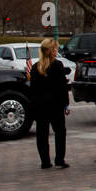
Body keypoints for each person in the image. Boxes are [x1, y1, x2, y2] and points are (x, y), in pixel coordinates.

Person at [29, 37, 70, 169]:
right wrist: (66, 104)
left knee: (42, 134)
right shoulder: (57, 65)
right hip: (55, 105)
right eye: (55, 48)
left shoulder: (36, 67)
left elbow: (33, 89)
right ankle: (59, 159)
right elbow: (62, 87)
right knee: (60, 132)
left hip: (40, 105)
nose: (57, 50)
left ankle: (45, 161)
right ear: (52, 51)